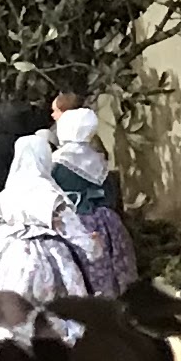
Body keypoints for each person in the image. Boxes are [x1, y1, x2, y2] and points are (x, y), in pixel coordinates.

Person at [0, 133, 102, 328]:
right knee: (55, 312)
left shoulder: (5, 195)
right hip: (47, 253)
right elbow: (69, 227)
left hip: (4, 252)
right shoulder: (50, 194)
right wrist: (92, 246)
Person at [50, 109, 136, 298]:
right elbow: (110, 194)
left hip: (71, 222)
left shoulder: (57, 161)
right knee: (107, 268)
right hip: (104, 221)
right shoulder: (96, 160)